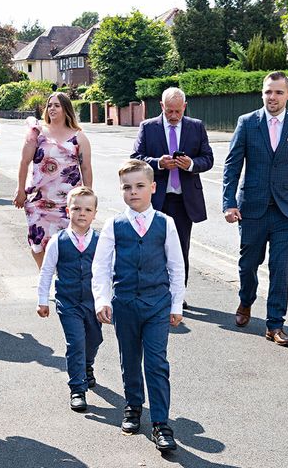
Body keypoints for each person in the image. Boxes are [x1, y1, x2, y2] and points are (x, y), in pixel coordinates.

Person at [92, 159, 185, 453]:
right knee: (129, 358)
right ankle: (133, 406)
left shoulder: (165, 223)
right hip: (126, 304)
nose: (134, 192)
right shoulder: (113, 225)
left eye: (140, 186)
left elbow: (176, 266)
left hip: (157, 304)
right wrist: (102, 300)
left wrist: (176, 304)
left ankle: (161, 423)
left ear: (153, 188)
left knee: (156, 363)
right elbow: (101, 266)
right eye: (127, 187)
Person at [222, 71, 288, 348]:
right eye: (267, 92)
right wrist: (229, 203)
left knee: (280, 268)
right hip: (252, 208)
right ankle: (246, 300)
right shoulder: (248, 123)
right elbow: (232, 165)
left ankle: (275, 325)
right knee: (249, 264)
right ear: (262, 93)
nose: (272, 97)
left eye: (277, 92)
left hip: (286, 211)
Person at [131, 87, 214, 307]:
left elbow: (208, 159)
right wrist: (158, 163)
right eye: (169, 111)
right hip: (156, 200)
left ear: (185, 107)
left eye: (178, 111)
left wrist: (191, 164)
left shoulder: (196, 127)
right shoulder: (148, 128)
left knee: (180, 250)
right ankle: (157, 293)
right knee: (153, 249)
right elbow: (135, 159)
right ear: (161, 107)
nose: (174, 116)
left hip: (184, 201)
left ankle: (178, 296)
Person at [36, 186, 103, 412]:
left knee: (94, 340)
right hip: (68, 302)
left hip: (93, 303)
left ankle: (87, 365)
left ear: (94, 213)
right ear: (68, 210)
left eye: (87, 209)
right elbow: (46, 271)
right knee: (76, 342)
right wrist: (42, 300)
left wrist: (108, 300)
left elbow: (109, 272)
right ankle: (77, 388)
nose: (81, 213)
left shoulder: (101, 241)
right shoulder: (58, 240)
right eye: (76, 208)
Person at [13, 92, 93, 269]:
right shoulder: (37, 134)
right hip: (40, 199)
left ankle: (63, 278)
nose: (52, 109)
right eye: (50, 105)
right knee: (37, 242)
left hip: (68, 201)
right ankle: (45, 276)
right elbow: (24, 162)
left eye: (57, 105)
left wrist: (89, 197)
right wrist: (20, 189)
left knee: (68, 243)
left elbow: (86, 168)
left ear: (66, 109)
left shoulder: (78, 137)